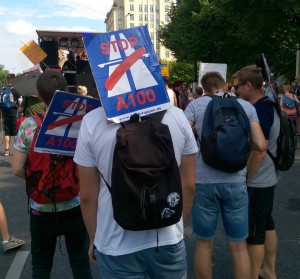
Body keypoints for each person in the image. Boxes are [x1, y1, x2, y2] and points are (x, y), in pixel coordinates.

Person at [74, 102, 198, 277]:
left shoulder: (93, 121)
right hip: (168, 236)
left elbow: (87, 195)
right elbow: (189, 184)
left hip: (115, 241)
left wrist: (94, 238)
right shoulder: (177, 116)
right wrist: (178, 223)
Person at [184, 71, 267, 279]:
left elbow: (181, 139)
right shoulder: (246, 107)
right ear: (224, 85)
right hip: (236, 181)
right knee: (239, 246)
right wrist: (247, 175)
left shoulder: (195, 106)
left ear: (204, 88)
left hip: (204, 182)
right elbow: (261, 145)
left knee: (204, 244)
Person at [11, 70, 92, 279]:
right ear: (65, 92)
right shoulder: (80, 122)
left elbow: (17, 169)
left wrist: (38, 180)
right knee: (80, 261)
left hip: (41, 207)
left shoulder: (30, 125)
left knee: (41, 265)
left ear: (38, 94)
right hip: (74, 204)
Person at [232, 65, 280, 279]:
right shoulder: (270, 104)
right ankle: (268, 270)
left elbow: (260, 149)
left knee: (254, 233)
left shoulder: (259, 110)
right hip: (269, 176)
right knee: (266, 223)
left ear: (248, 85)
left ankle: (254, 275)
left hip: (258, 179)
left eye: (237, 87)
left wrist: (246, 178)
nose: (235, 92)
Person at [2, 73, 22, 156]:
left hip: (5, 112)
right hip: (14, 113)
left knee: (7, 132)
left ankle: (7, 150)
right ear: (14, 80)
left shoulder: (3, 89)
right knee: (16, 132)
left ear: (7, 79)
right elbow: (20, 101)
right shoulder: (16, 89)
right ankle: (16, 150)